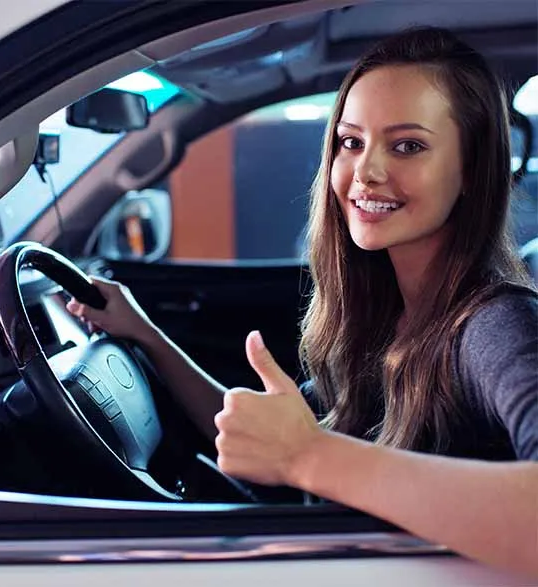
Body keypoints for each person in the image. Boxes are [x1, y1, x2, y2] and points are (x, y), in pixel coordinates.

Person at [67, 27, 538, 577]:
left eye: (407, 145)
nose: (367, 172)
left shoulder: (494, 323)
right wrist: (144, 333)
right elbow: (272, 431)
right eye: (350, 142)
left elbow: (299, 447)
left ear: (471, 169)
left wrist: (307, 458)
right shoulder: (391, 320)